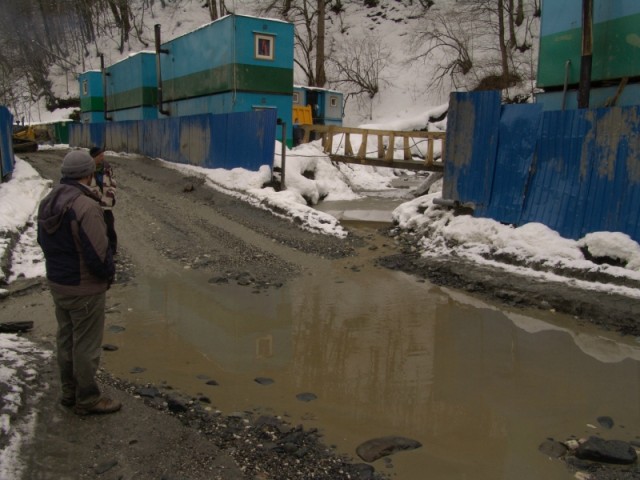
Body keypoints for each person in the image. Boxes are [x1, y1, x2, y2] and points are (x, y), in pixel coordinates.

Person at [37, 150, 121, 416]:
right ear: (87, 174)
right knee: (86, 345)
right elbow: (99, 252)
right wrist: (108, 275)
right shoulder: (85, 206)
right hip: (84, 287)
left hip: (59, 283)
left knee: (66, 339)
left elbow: (43, 242)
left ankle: (69, 392)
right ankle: (87, 399)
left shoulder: (49, 200)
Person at [89, 146, 118, 255]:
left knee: (110, 226)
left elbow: (113, 181)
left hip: (106, 202)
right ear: (94, 157)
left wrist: (112, 193)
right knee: (95, 228)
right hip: (93, 204)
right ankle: (98, 249)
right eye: (100, 155)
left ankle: (112, 249)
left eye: (103, 155)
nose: (103, 157)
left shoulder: (106, 168)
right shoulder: (87, 169)